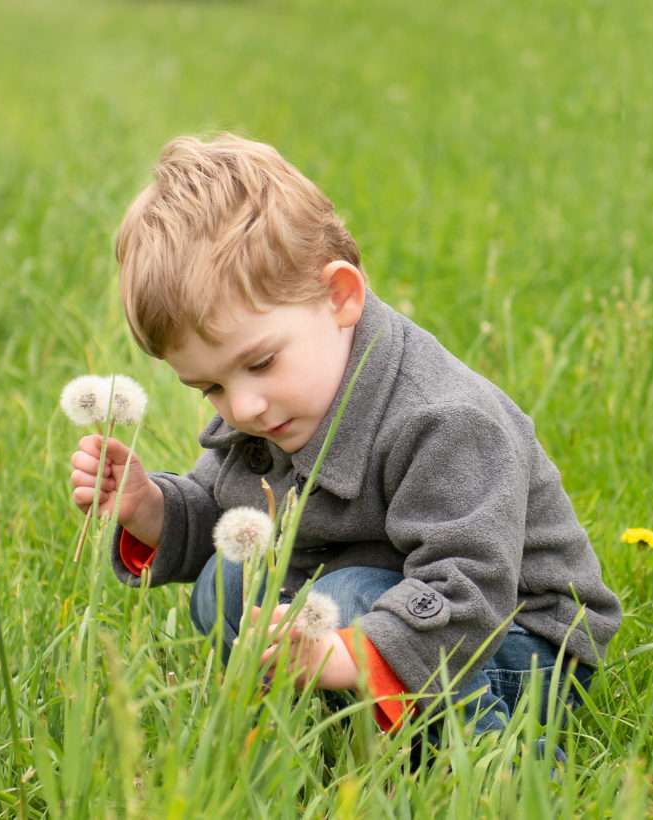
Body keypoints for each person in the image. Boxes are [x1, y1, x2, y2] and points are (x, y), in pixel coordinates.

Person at [68, 133, 621, 733]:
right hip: (369, 616)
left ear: (339, 297)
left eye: (259, 363)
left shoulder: (443, 419)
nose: (244, 406)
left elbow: (470, 591)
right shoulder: (276, 408)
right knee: (228, 576)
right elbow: (231, 515)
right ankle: (299, 724)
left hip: (514, 650)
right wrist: (151, 508)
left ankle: (493, 767)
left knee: (347, 595)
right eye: (211, 388)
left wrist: (350, 650)